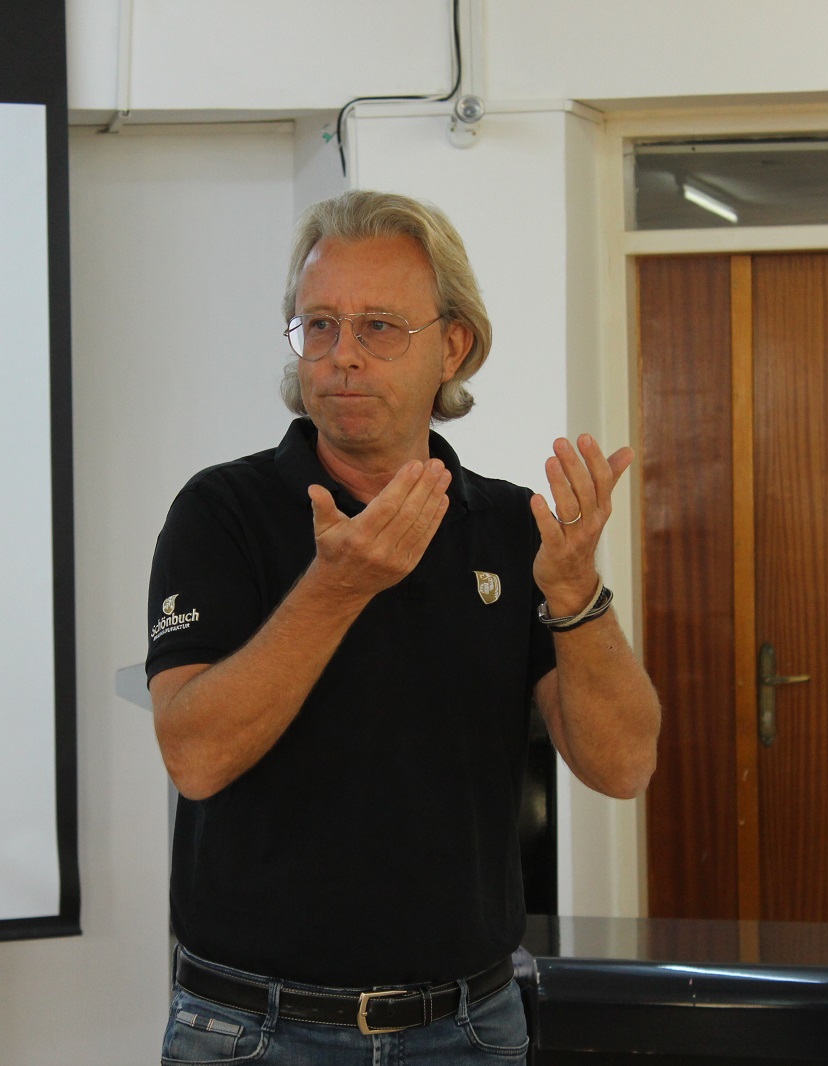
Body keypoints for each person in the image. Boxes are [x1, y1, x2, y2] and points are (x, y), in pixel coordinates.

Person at [146, 189, 661, 1064]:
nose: (342, 356)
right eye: (320, 326)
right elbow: (194, 756)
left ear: (452, 345)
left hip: (468, 1028)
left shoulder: (509, 527)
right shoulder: (221, 512)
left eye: (379, 327)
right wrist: (337, 588)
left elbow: (622, 766)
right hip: (253, 1030)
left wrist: (577, 595)